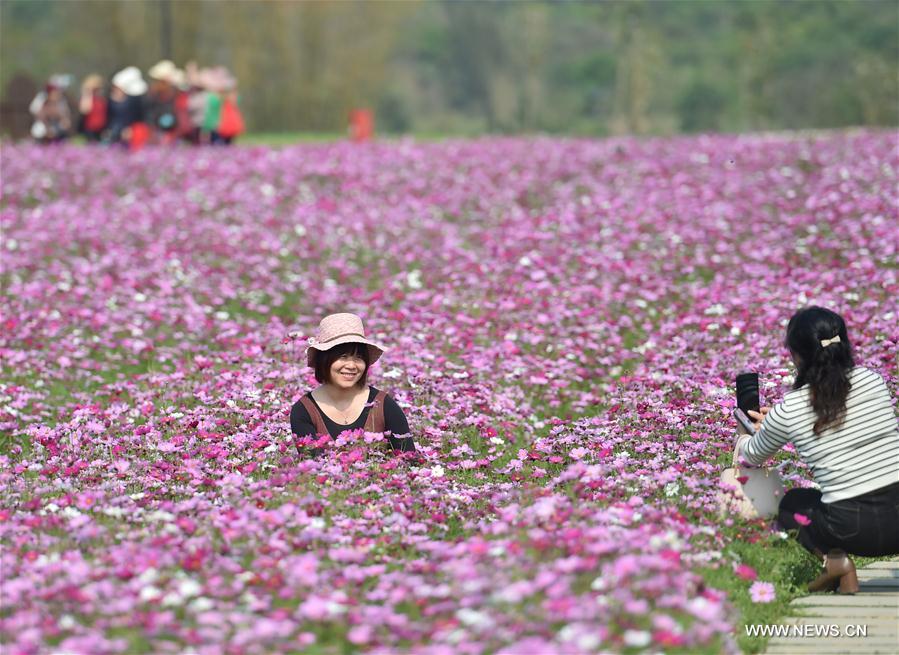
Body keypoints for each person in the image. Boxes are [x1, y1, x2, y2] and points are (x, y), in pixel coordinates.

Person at [736, 306, 899, 594]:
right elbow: (841, 416)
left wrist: (753, 429)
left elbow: (749, 457)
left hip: (852, 530)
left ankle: (835, 563)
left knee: (790, 505)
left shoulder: (790, 410)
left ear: (797, 356)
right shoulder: (873, 381)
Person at [290, 313, 415, 455]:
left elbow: (409, 460)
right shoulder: (304, 410)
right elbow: (311, 466)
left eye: (359, 357)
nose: (351, 365)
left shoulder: (383, 405)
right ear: (324, 360)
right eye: (342, 357)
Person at [104, 66, 147, 147]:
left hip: (129, 130)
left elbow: (136, 116)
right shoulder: (111, 99)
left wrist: (129, 128)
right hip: (114, 129)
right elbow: (109, 116)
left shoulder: (134, 99)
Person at [29, 78, 72, 143]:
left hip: (57, 129)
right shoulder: (41, 99)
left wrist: (63, 120)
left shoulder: (62, 101)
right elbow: (36, 112)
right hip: (43, 129)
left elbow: (65, 116)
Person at [77, 74, 107, 142]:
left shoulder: (101, 99)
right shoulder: (87, 99)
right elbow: (85, 110)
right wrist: (88, 93)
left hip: (101, 129)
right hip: (90, 129)